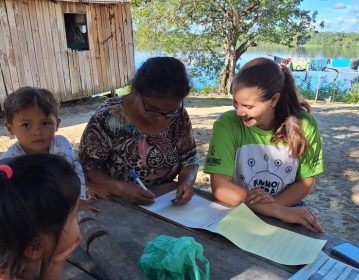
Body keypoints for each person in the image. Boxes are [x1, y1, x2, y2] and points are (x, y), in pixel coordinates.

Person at [204, 57, 324, 232]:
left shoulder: (304, 125)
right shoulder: (227, 125)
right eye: (235, 102)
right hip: (240, 206)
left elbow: (305, 182)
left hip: (288, 205)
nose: (238, 112)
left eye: (248, 106)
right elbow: (221, 188)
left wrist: (276, 207)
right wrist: (275, 210)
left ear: (274, 100)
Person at [79, 56, 199, 205]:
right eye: (153, 110)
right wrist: (121, 189)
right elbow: (87, 171)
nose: (161, 118)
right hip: (114, 203)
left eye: (170, 112)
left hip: (164, 202)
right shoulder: (109, 119)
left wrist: (186, 182)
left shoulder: (179, 116)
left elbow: (190, 159)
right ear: (136, 92)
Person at [0, 87, 93, 211]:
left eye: (45, 123)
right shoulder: (8, 161)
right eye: (26, 125)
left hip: (65, 204)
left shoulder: (60, 144)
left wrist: (80, 199)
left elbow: (74, 172)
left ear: (57, 124)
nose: (37, 132)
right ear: (10, 128)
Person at [0, 154, 81, 279]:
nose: (79, 219)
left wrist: (53, 263)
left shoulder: (22, 255)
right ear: (34, 247)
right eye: (74, 215)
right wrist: (53, 267)